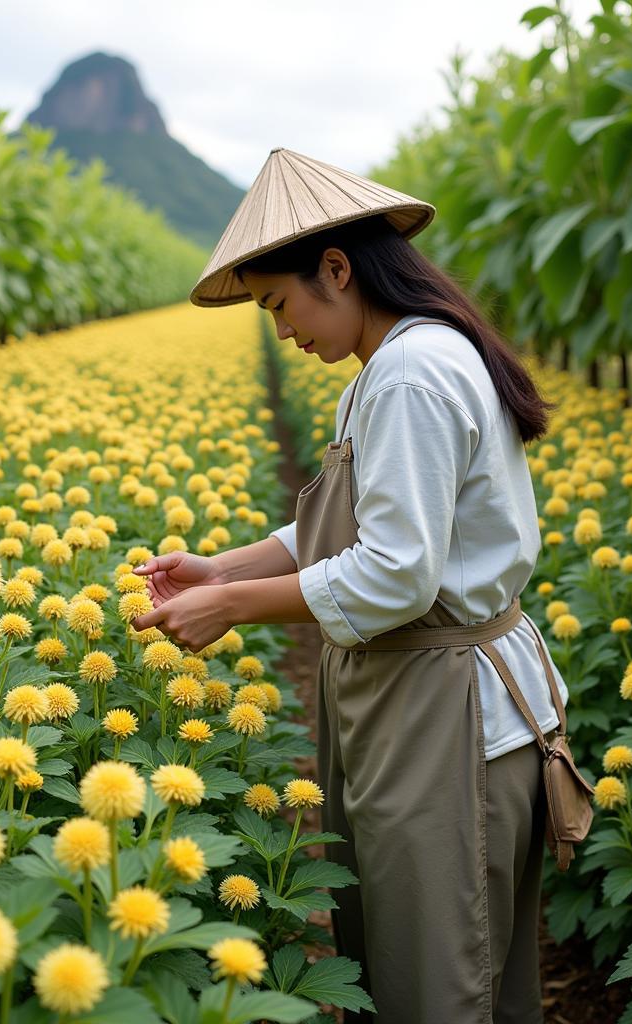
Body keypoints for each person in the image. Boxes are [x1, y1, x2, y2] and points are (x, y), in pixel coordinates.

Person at [131, 147, 570, 1024]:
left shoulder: (410, 373)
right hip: (424, 705)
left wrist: (231, 607)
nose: (283, 330)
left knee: (442, 987)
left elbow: (399, 572)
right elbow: (353, 525)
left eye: (279, 303)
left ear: (335, 268)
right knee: (424, 964)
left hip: (451, 720)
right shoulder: (391, 366)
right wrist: (227, 567)